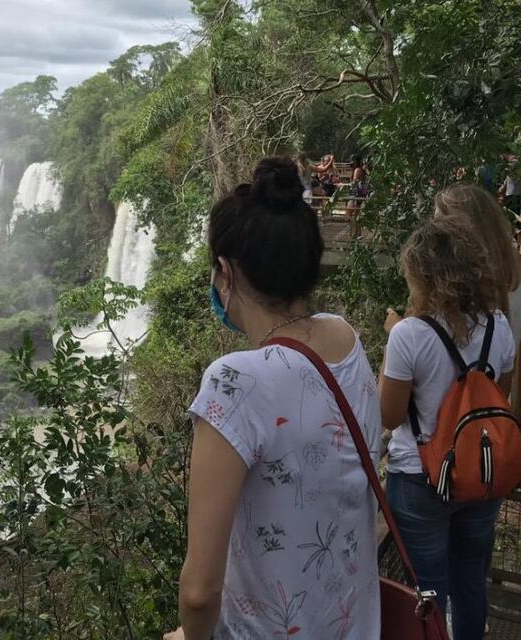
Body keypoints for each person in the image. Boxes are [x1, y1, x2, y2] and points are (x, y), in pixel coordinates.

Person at [165, 157, 381, 640]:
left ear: (225, 272)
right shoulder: (346, 340)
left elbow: (199, 593)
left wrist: (188, 635)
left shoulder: (233, 382)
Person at [380, 216, 516, 640]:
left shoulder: (408, 335)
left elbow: (389, 415)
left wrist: (394, 335)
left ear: (419, 275)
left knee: (428, 589)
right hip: (480, 473)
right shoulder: (499, 325)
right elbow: (498, 398)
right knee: (471, 580)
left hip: (420, 477)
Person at [434, 183, 521, 342]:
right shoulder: (513, 277)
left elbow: (452, 347)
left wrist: (401, 332)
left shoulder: (467, 287)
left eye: (440, 225)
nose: (433, 233)